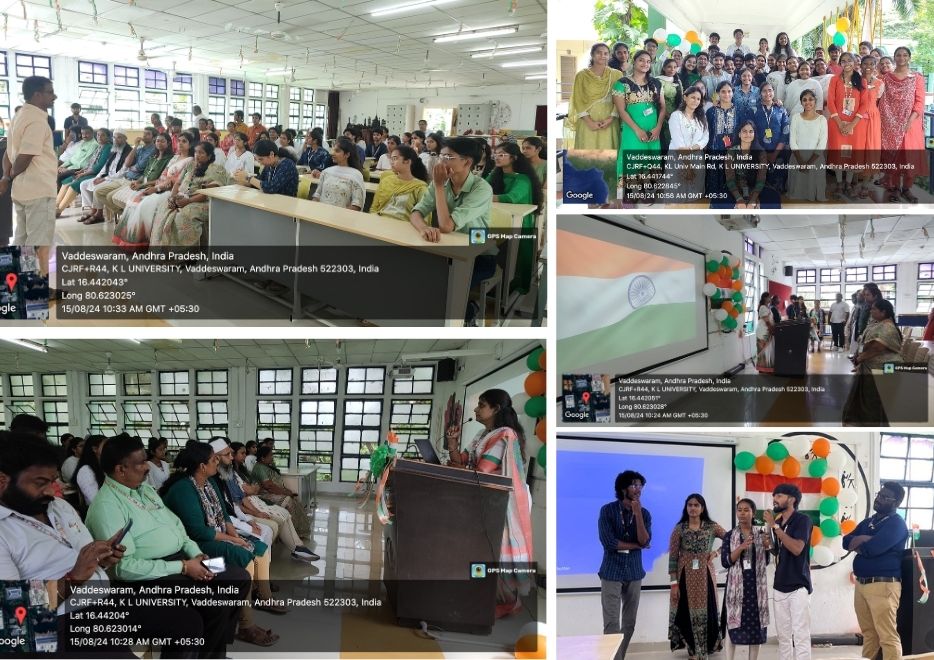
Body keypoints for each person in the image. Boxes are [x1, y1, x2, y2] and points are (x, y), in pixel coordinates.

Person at [84, 434, 251, 657]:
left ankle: (211, 651)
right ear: (120, 469)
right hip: (153, 575)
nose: (147, 468)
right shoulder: (107, 506)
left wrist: (197, 555)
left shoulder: (144, 490)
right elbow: (124, 568)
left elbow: (177, 528)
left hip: (184, 558)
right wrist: (183, 567)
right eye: (141, 463)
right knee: (214, 602)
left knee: (238, 577)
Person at [160, 441, 286, 637]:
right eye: (214, 459)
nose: (217, 461)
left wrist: (234, 534)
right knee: (243, 557)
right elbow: (198, 532)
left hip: (215, 536)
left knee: (259, 547)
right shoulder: (183, 489)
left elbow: (224, 515)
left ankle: (265, 596)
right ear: (202, 466)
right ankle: (246, 624)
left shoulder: (209, 482)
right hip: (196, 547)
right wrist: (234, 540)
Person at [445, 389, 533, 618]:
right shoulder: (483, 434)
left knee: (500, 551)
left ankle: (508, 602)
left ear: (495, 409)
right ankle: (484, 594)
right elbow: (462, 461)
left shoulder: (505, 434)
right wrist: (452, 444)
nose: (476, 409)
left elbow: (481, 470)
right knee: (484, 549)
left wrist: (458, 468)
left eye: (481, 405)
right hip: (485, 500)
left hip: (503, 503)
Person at [842, 482, 910, 660]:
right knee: (869, 634)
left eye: (884, 497)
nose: (878, 499)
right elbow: (845, 541)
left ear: (896, 503)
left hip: (883, 585)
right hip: (862, 584)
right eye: (879, 494)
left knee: (887, 636)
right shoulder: (869, 522)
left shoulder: (897, 524)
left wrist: (861, 542)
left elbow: (873, 549)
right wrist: (865, 538)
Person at [0, 76, 58, 274]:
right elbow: (24, 156)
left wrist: (7, 177)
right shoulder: (36, 121)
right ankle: (39, 288)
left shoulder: (19, 115)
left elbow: (8, 153)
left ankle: (24, 281)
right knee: (39, 242)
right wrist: (9, 177)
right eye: (50, 92)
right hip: (38, 189)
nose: (54, 96)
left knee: (23, 240)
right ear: (37, 94)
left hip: (23, 190)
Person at [597, 470, 651, 660]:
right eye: (634, 485)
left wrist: (637, 514)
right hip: (611, 571)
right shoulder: (607, 510)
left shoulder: (644, 513)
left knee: (629, 622)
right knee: (612, 622)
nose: (638, 489)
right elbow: (609, 543)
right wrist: (637, 545)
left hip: (634, 572)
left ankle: (619, 656)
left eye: (640, 485)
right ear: (623, 489)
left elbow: (645, 540)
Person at [668, 493, 726, 660]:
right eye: (690, 505)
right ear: (686, 508)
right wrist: (674, 584)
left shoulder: (711, 526)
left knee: (707, 610)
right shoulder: (680, 528)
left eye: (696, 505)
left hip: (705, 575)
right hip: (685, 575)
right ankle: (694, 650)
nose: (693, 508)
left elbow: (730, 539)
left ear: (702, 508)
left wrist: (716, 552)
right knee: (686, 611)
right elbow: (673, 558)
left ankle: (705, 648)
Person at [113, 131, 194, 249]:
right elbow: (163, 175)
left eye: (184, 141)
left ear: (190, 145)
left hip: (171, 191)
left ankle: (142, 243)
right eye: (179, 141)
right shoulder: (175, 157)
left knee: (143, 205)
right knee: (134, 199)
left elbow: (175, 181)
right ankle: (128, 240)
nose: (180, 143)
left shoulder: (190, 161)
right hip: (160, 186)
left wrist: (156, 188)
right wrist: (152, 186)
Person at [763, 483, 812, 660]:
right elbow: (778, 551)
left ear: (792, 499)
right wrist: (768, 540)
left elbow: (797, 548)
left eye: (779, 496)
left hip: (798, 585)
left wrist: (775, 528)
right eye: (774, 496)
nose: (774, 500)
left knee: (800, 635)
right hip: (779, 584)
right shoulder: (777, 522)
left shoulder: (802, 520)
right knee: (783, 636)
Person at [487, 142, 542, 295]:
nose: (497, 157)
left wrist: (485, 197)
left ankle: (510, 288)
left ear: (514, 158)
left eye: (502, 154)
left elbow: (512, 198)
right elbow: (483, 187)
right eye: (496, 154)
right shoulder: (495, 174)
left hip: (518, 222)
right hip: (498, 218)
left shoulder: (523, 179)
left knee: (512, 256)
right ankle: (491, 283)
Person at [150, 141, 228, 247]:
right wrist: (172, 197)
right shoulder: (190, 165)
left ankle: (185, 254)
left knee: (183, 215)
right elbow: (177, 183)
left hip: (203, 201)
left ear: (209, 156)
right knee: (164, 208)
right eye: (196, 152)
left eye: (201, 153)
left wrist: (188, 201)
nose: (197, 155)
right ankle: (163, 250)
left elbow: (209, 193)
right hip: (182, 198)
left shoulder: (217, 169)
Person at [721, 499, 772, 660]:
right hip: (736, 587)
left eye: (746, 510)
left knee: (755, 627)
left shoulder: (761, 533)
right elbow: (726, 561)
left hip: (755, 587)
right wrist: (741, 547)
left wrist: (766, 546)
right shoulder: (730, 535)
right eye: (739, 510)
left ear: (753, 513)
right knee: (733, 624)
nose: (742, 513)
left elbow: (767, 560)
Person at [613, 49, 665, 202]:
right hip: (632, 130)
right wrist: (637, 130)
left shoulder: (656, 83)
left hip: (653, 129)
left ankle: (645, 189)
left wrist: (658, 128)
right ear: (634, 62)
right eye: (641, 60)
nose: (645, 64)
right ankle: (629, 191)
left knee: (650, 158)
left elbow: (663, 108)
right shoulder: (622, 83)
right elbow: (621, 110)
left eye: (648, 61)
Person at [81, 126, 159, 225]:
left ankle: (123, 216)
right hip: (125, 177)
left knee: (103, 192)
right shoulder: (139, 148)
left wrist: (106, 178)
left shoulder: (151, 151)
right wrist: (135, 146)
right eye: (114, 137)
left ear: (154, 138)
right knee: (91, 187)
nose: (144, 136)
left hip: (130, 179)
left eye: (147, 134)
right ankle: (124, 216)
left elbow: (138, 167)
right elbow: (126, 164)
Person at [843, 299, 904, 424]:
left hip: (883, 367)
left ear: (883, 312)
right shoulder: (879, 323)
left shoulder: (887, 327)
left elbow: (877, 348)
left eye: (874, 309)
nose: (871, 311)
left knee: (873, 399)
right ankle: (864, 420)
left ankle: (871, 422)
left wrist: (860, 358)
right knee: (868, 397)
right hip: (872, 364)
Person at [879, 46, 927, 203]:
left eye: (905, 55)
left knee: (909, 157)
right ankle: (893, 188)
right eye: (898, 55)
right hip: (890, 124)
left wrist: (910, 121)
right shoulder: (886, 78)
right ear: (894, 58)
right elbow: (879, 98)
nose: (901, 58)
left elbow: (920, 102)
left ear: (909, 58)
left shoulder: (917, 78)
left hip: (910, 126)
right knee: (893, 157)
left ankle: (907, 189)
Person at [565, 43, 623, 150]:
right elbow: (578, 100)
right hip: (587, 122)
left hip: (609, 121)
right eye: (599, 53)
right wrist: (589, 122)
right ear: (592, 54)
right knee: (587, 158)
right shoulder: (581, 75)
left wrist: (611, 118)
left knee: (608, 159)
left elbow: (620, 99)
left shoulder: (617, 75)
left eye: (606, 53)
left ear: (609, 56)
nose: (602, 56)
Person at [251, 445, 312, 539]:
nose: (272, 457)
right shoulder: (259, 467)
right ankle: (291, 535)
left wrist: (287, 491)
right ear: (262, 458)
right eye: (270, 455)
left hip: (273, 493)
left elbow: (276, 484)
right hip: (263, 495)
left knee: (295, 501)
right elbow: (269, 486)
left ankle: (299, 531)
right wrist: (286, 493)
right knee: (288, 501)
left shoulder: (267, 466)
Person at [721, 120, 780, 209]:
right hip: (736, 188)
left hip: (755, 188)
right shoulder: (731, 152)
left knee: (773, 199)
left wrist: (753, 199)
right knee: (719, 201)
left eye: (751, 131)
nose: (748, 134)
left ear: (754, 134)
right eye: (744, 131)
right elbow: (730, 179)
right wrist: (739, 199)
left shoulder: (761, 152)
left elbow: (761, 179)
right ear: (739, 134)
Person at [55, 128, 112, 216]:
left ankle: (59, 210)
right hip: (88, 171)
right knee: (66, 182)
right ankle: (55, 206)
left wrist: (83, 173)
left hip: (98, 174)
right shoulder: (100, 146)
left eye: (102, 135)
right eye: (98, 135)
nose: (99, 137)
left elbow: (99, 167)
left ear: (108, 137)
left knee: (74, 184)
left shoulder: (107, 147)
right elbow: (90, 163)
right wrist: (82, 171)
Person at [667, 86, 709, 200]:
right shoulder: (676, 116)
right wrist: (688, 167)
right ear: (685, 97)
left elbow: (705, 138)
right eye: (692, 97)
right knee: (677, 198)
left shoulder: (701, 117)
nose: (695, 101)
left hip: (697, 157)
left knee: (695, 197)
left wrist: (693, 149)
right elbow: (678, 143)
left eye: (698, 99)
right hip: (679, 158)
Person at [77, 129, 132, 215]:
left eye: (119, 137)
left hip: (118, 179)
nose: (116, 140)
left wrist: (104, 179)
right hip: (107, 177)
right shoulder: (114, 149)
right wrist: (99, 177)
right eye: (114, 137)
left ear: (125, 139)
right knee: (83, 184)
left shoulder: (129, 151)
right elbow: (105, 166)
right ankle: (93, 209)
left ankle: (99, 213)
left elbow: (123, 172)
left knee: (97, 188)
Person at [788, 89, 829, 202]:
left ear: (815, 101)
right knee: (797, 194)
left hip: (815, 159)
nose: (808, 102)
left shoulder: (822, 120)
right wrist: (801, 162)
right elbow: (792, 140)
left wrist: (808, 164)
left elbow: (822, 144)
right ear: (801, 102)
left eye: (811, 99)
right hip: (797, 158)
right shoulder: (796, 117)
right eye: (804, 100)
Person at [705, 81, 743, 203]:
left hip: (734, 151)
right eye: (723, 91)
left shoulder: (740, 110)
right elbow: (708, 131)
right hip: (715, 149)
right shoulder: (711, 112)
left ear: (733, 93)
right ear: (718, 93)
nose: (726, 94)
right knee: (715, 176)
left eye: (729, 91)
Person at [370, 145, 428, 222]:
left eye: (395, 158)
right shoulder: (386, 180)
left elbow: (424, 218)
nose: (391, 162)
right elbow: (374, 208)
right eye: (391, 159)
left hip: (404, 228)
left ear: (407, 161)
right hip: (380, 223)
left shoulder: (420, 187)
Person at [751, 83, 790, 193]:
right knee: (760, 186)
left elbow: (785, 132)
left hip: (778, 152)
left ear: (773, 92)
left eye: (770, 90)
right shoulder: (753, 110)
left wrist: (775, 154)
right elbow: (750, 132)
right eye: (764, 91)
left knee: (777, 186)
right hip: (759, 151)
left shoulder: (781, 109)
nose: (767, 93)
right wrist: (763, 153)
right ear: (760, 94)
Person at [312, 136, 366, 209]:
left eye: (337, 151)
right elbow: (317, 195)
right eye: (333, 150)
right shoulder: (327, 172)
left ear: (347, 155)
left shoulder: (355, 176)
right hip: (322, 214)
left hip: (342, 217)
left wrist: (339, 215)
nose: (332, 153)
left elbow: (356, 205)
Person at [856, 56, 883, 199]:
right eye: (865, 63)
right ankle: (852, 181)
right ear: (860, 65)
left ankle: (865, 184)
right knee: (857, 149)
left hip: (873, 118)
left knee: (870, 149)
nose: (868, 66)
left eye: (871, 64)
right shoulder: (855, 81)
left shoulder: (880, 83)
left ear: (875, 65)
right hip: (857, 118)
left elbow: (878, 102)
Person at [233, 139, 298, 197]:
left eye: (261, 159)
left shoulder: (287, 164)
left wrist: (248, 177)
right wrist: (242, 179)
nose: (259, 163)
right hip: (270, 200)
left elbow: (271, 188)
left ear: (271, 154)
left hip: (286, 203)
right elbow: (260, 183)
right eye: (257, 160)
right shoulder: (269, 165)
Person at [73, 434, 107, 508]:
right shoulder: (86, 471)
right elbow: (95, 500)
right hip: (97, 510)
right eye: (105, 446)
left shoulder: (103, 466)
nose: (110, 449)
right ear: (95, 449)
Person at [756, 292, 776, 372]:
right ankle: (762, 369)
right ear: (765, 298)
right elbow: (767, 321)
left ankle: (767, 368)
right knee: (762, 350)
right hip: (763, 331)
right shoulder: (763, 307)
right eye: (769, 297)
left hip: (768, 331)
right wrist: (771, 329)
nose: (770, 299)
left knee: (768, 350)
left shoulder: (768, 308)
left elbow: (771, 320)